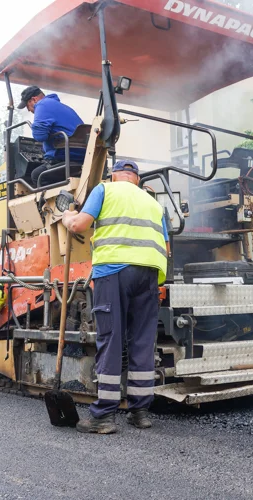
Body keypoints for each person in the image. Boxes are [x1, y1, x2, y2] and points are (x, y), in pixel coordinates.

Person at [61, 160, 170, 434]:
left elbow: (79, 226)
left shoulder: (104, 190)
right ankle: (140, 411)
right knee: (142, 341)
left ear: (114, 176)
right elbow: (166, 248)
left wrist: (67, 216)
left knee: (111, 339)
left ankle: (103, 417)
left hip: (113, 272)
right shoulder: (154, 204)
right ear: (136, 179)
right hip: (149, 275)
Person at [17, 86, 85, 187]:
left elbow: (39, 136)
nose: (29, 110)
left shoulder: (42, 105)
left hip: (67, 157)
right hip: (81, 157)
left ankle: (54, 202)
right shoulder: (63, 107)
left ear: (34, 99)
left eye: (28, 106)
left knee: (37, 175)